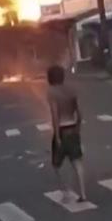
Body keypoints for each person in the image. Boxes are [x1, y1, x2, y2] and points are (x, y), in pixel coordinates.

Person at [46, 64, 87, 202]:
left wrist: (57, 136)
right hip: (73, 126)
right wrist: (78, 126)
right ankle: (83, 193)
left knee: (56, 164)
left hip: (62, 129)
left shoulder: (51, 92)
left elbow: (55, 115)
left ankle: (65, 191)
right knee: (77, 162)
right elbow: (80, 111)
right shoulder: (71, 90)